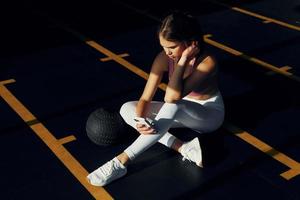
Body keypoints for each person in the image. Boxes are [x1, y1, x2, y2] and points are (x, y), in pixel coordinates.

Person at [87, 11, 225, 186]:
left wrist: (182, 61)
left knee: (174, 105)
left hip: (209, 115)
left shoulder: (207, 62)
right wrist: (140, 119)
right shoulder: (163, 58)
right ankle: (184, 148)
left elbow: (172, 96)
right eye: (163, 47)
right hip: (180, 108)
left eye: (172, 47)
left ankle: (121, 161)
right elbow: (145, 98)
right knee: (127, 108)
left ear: (190, 42)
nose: (167, 52)